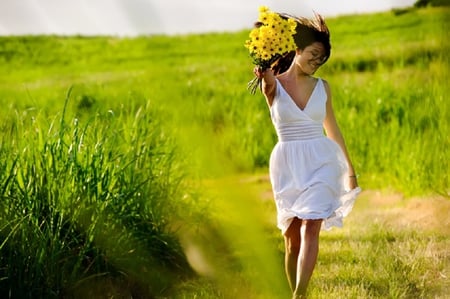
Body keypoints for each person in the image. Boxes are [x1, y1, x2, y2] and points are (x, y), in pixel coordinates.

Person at [253, 12, 361, 298]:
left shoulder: (322, 87)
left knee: (312, 224)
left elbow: (333, 131)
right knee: (292, 241)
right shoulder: (273, 85)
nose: (317, 62)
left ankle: (299, 294)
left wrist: (350, 171)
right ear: (297, 49)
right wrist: (262, 67)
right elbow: (265, 79)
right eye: (314, 54)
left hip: (321, 161)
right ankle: (296, 292)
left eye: (321, 59)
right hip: (288, 165)